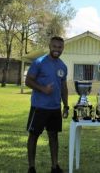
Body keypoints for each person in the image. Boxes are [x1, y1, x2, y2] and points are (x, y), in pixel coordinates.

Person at [25, 36, 69, 173]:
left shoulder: (63, 66)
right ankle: (31, 167)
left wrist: (66, 105)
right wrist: (43, 89)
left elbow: (63, 87)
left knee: (54, 137)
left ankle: (54, 166)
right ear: (50, 46)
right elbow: (28, 81)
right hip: (39, 107)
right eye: (54, 46)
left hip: (55, 108)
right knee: (33, 136)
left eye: (60, 47)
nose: (57, 49)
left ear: (62, 48)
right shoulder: (39, 62)